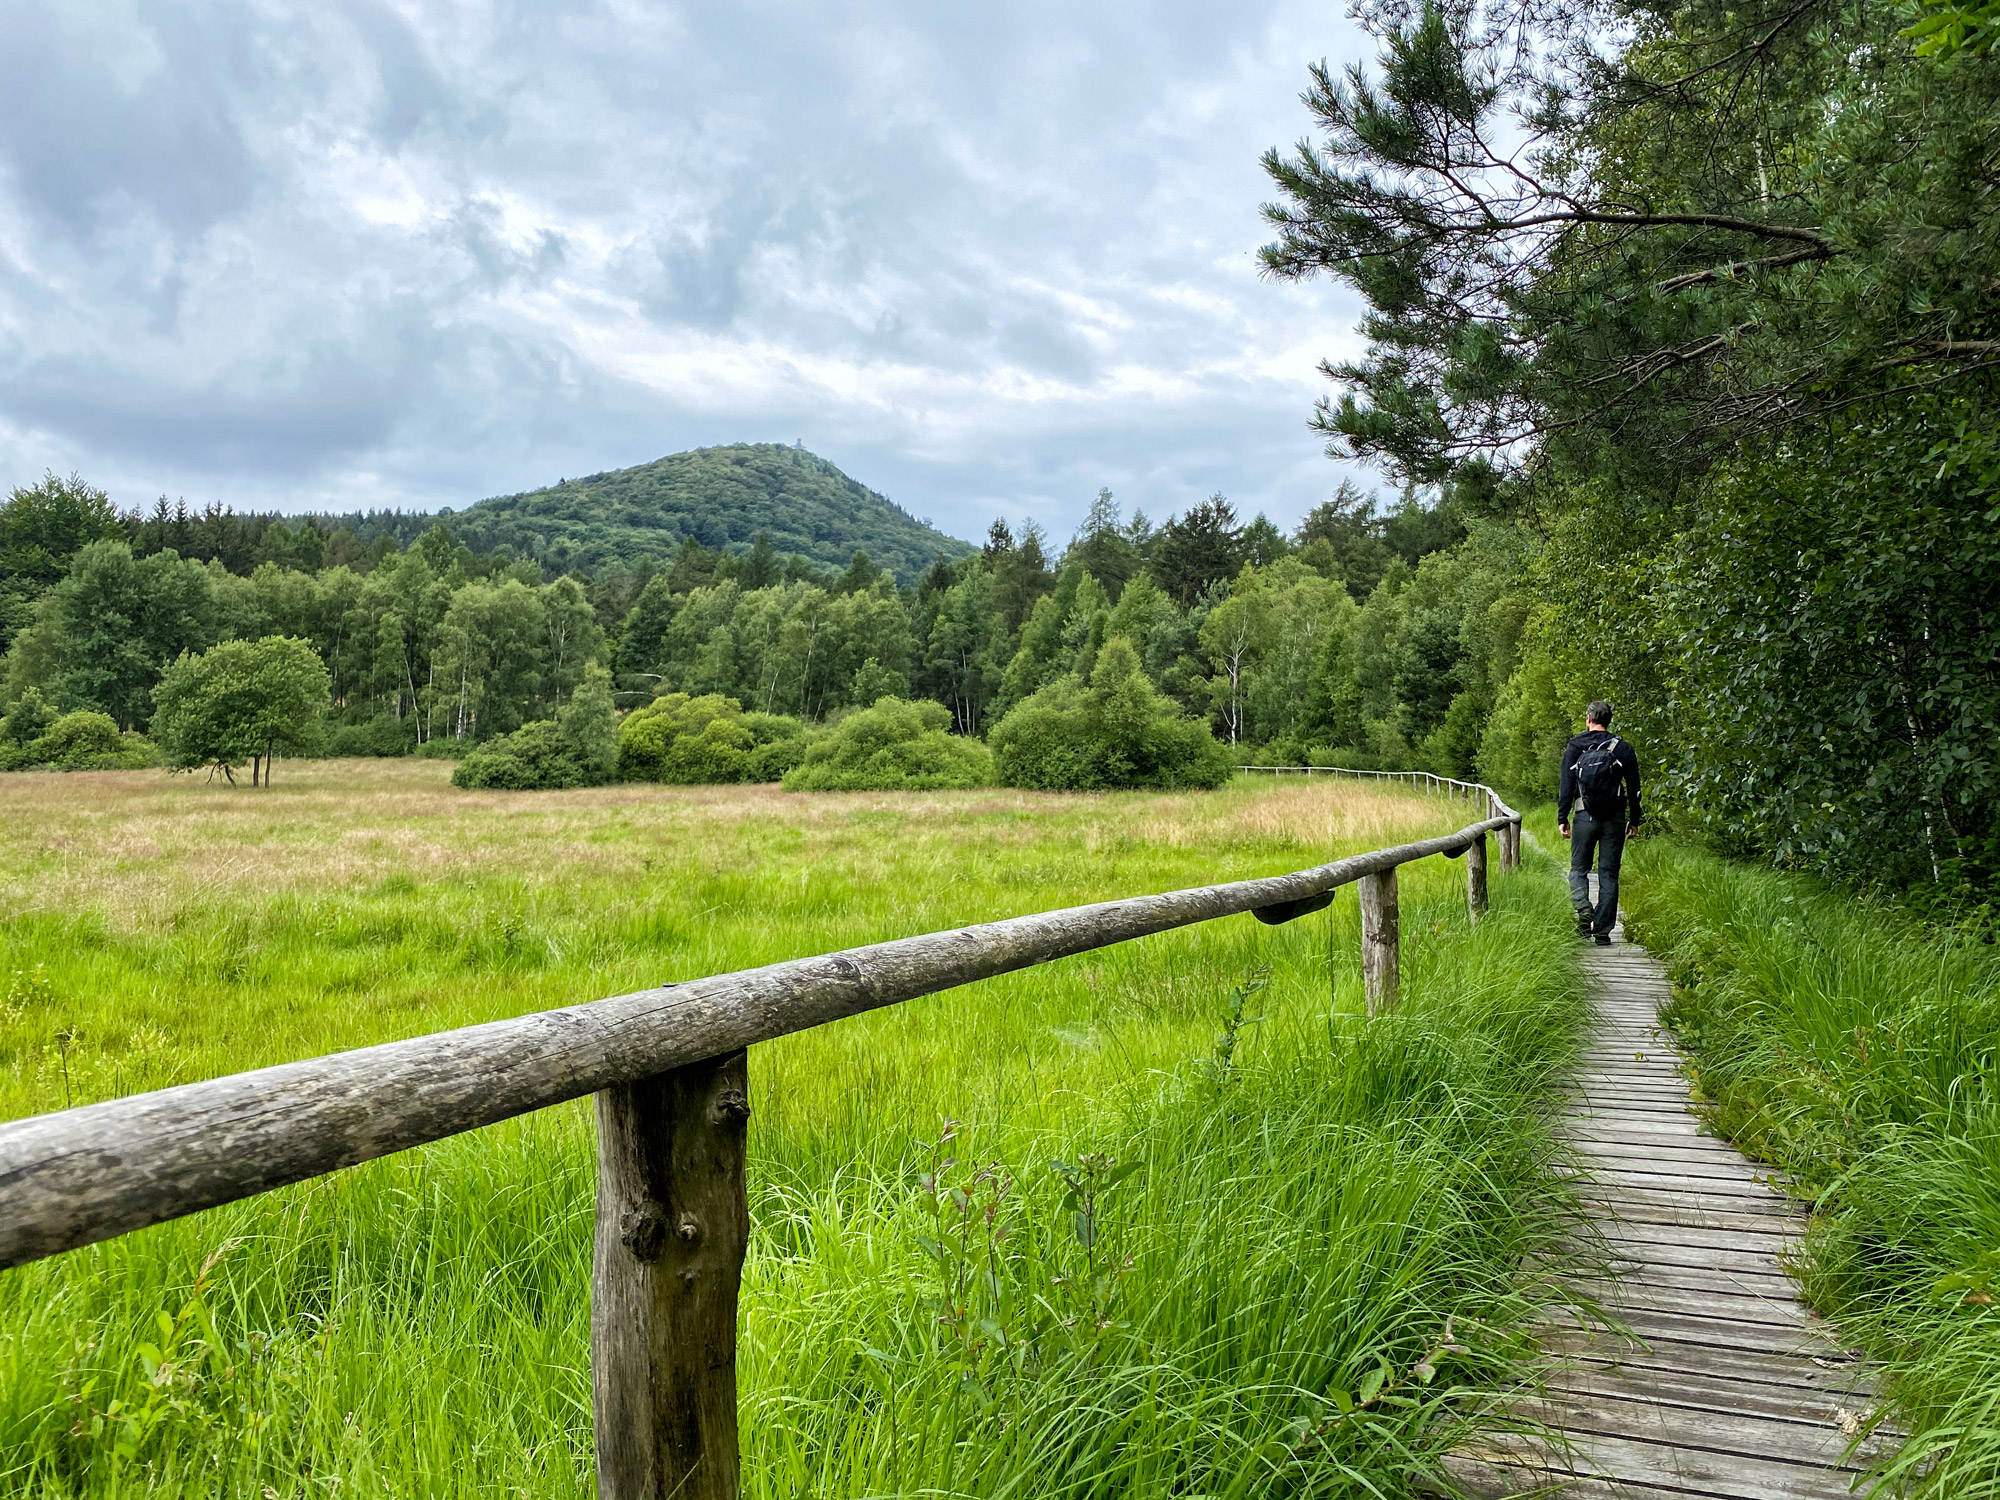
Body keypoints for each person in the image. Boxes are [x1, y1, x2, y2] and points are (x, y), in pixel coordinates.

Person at [1558, 700, 1642, 945]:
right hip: (1614, 819)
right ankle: (1603, 932)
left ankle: (1583, 910)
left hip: (1584, 816)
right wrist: (1634, 820)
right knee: (1608, 874)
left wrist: (1562, 818)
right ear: (1609, 720)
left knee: (1578, 870)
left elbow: (1566, 786)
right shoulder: (1623, 748)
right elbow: (1634, 789)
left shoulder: (1575, 747)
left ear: (1588, 719)